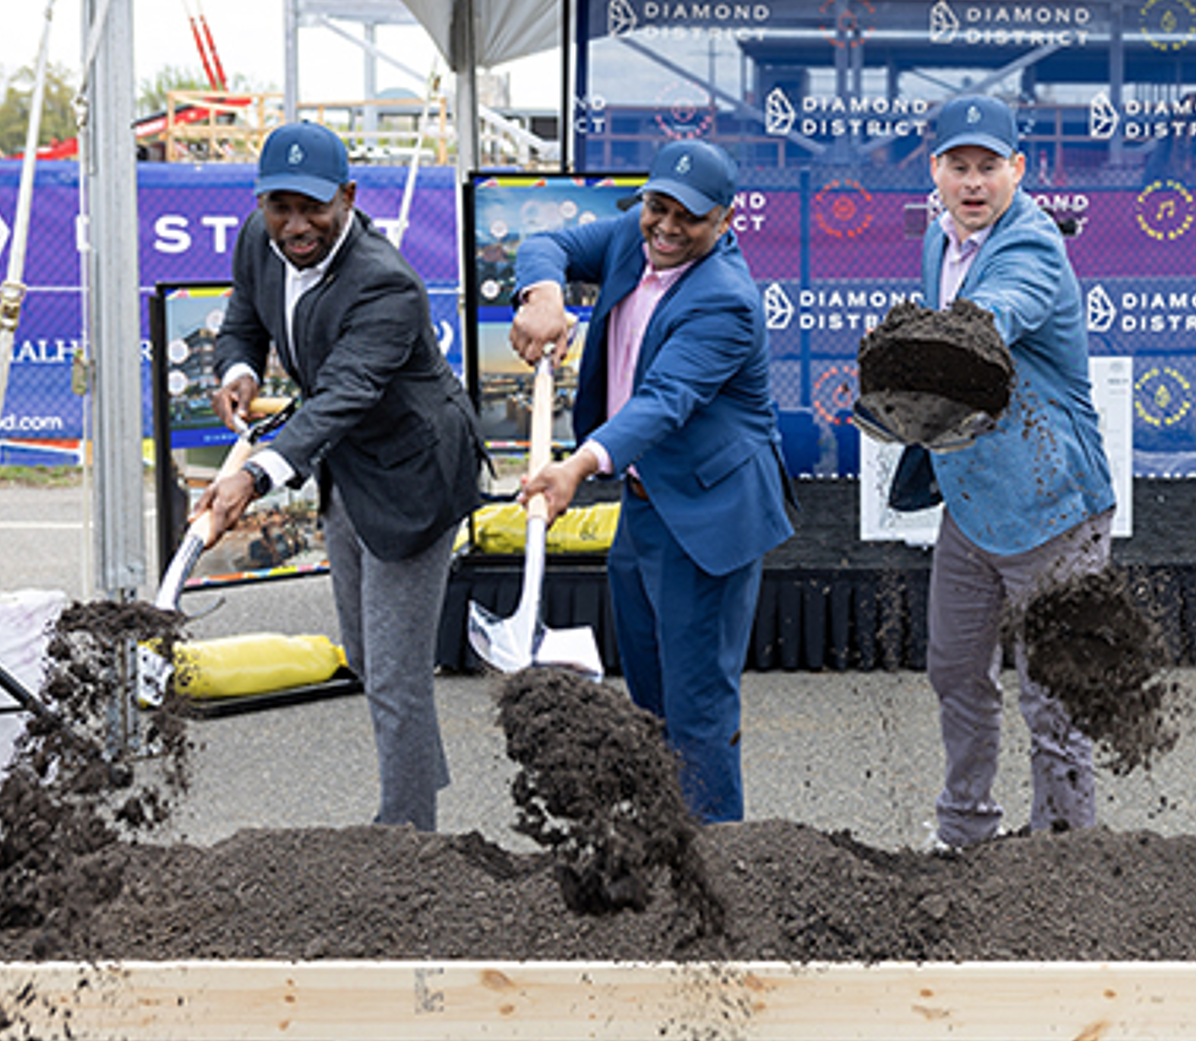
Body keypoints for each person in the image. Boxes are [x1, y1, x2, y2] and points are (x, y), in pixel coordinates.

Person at [199, 121, 488, 832]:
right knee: (366, 655)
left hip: (414, 474)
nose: (296, 225)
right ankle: (418, 765)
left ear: (349, 197)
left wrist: (253, 478)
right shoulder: (255, 239)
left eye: (313, 209)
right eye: (281, 207)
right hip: (348, 464)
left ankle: (407, 833)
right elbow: (243, 319)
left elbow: (342, 396)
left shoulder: (387, 286)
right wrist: (238, 370)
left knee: (394, 673)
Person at [508, 137, 792, 824]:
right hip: (643, 503)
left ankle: (716, 862)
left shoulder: (724, 300)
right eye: (656, 207)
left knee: (696, 707)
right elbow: (546, 244)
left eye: (687, 218)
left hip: (706, 513)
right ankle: (664, 840)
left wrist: (576, 466)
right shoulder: (634, 240)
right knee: (649, 701)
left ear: (724, 221)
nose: (665, 227)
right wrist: (543, 294)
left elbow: (662, 402)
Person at [911, 93, 1117, 850]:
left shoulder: (1031, 245)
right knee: (955, 672)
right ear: (935, 171)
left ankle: (1063, 854)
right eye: (958, 167)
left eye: (988, 168)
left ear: (1018, 170)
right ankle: (964, 828)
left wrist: (952, 332)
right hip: (971, 501)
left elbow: (999, 310)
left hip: (1053, 505)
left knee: (1054, 697)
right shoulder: (942, 240)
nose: (973, 182)